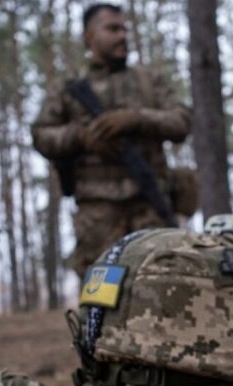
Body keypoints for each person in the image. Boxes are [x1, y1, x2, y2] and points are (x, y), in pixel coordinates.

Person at [32, 3, 192, 279]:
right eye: (112, 29)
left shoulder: (148, 81)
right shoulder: (70, 88)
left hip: (150, 207)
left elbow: (181, 122)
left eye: (125, 29)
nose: (122, 36)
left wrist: (137, 118)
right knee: (102, 303)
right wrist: (81, 136)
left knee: (162, 294)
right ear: (89, 37)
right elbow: (41, 135)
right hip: (97, 216)